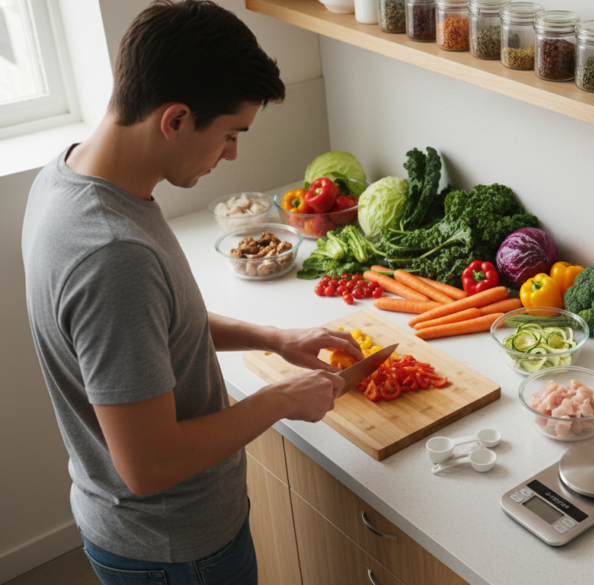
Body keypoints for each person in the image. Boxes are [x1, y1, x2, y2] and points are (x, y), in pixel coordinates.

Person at [21, 2, 362, 583]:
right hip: (176, 550)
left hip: (141, 534)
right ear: (175, 119)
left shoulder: (70, 176)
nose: (231, 154)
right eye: (230, 134)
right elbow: (150, 465)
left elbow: (157, 325)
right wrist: (280, 399)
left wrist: (274, 337)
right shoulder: (113, 255)